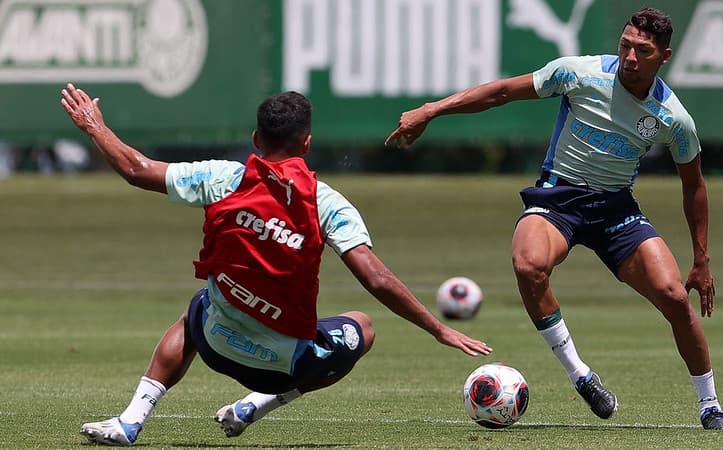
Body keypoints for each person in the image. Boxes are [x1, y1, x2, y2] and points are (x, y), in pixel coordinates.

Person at [60, 84, 493, 446]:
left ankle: (132, 419)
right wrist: (439, 329)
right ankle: (259, 403)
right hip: (284, 368)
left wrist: (94, 126)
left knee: (200, 303)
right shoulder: (327, 203)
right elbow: (376, 279)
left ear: (254, 139)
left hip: (215, 345)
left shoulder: (220, 179)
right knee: (363, 326)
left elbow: (137, 169)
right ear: (306, 143)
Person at [386, 8, 723, 430]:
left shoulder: (675, 119)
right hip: (559, 198)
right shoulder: (578, 73)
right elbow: (500, 92)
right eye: (625, 45)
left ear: (663, 56)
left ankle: (710, 406)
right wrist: (432, 110)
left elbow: (694, 185)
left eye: (642, 51)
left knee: (675, 297)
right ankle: (581, 376)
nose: (629, 56)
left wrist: (701, 259)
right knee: (528, 266)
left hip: (616, 209)